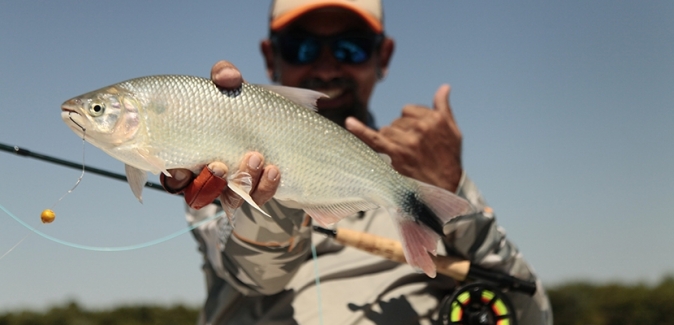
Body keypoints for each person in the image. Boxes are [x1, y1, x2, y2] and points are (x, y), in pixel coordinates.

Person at [162, 0, 553, 324]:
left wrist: (453, 191)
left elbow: (533, 316)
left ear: (383, 56)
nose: (328, 67)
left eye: (352, 47)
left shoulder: (428, 173)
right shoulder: (216, 161)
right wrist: (265, 193)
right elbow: (256, 275)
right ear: (270, 55)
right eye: (302, 47)